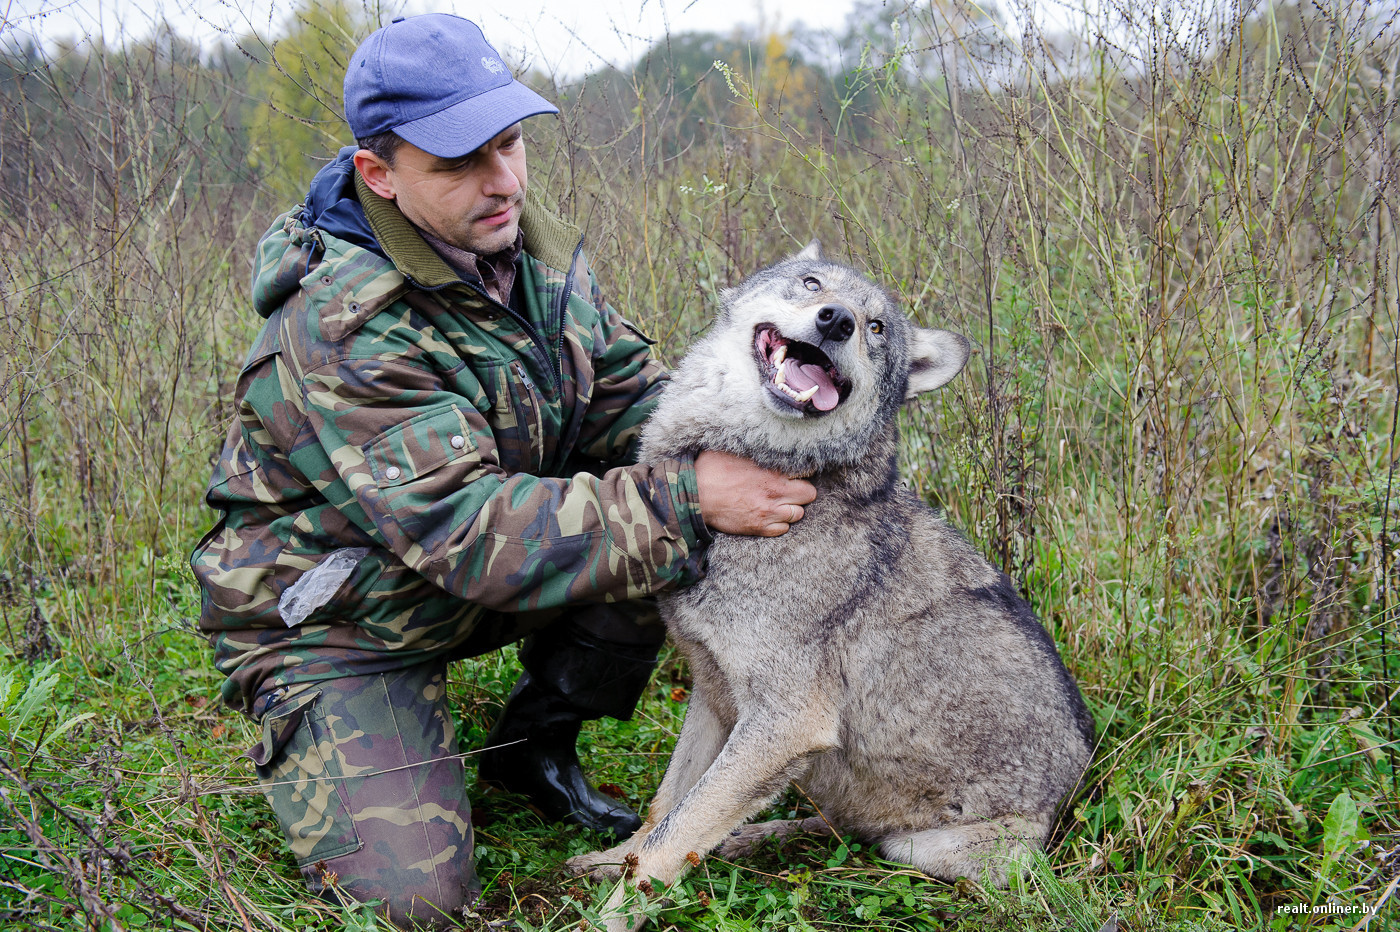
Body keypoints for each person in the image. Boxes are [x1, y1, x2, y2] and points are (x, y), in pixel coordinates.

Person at [190, 13, 815, 929]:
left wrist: (768, 441)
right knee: (418, 903)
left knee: (676, 520)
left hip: (468, 574)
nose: (505, 181)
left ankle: (533, 747)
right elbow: (469, 531)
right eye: (458, 163)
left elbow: (636, 407)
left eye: (511, 143)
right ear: (379, 176)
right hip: (340, 622)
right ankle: (330, 725)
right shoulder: (341, 329)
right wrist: (690, 493)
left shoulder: (528, 256)